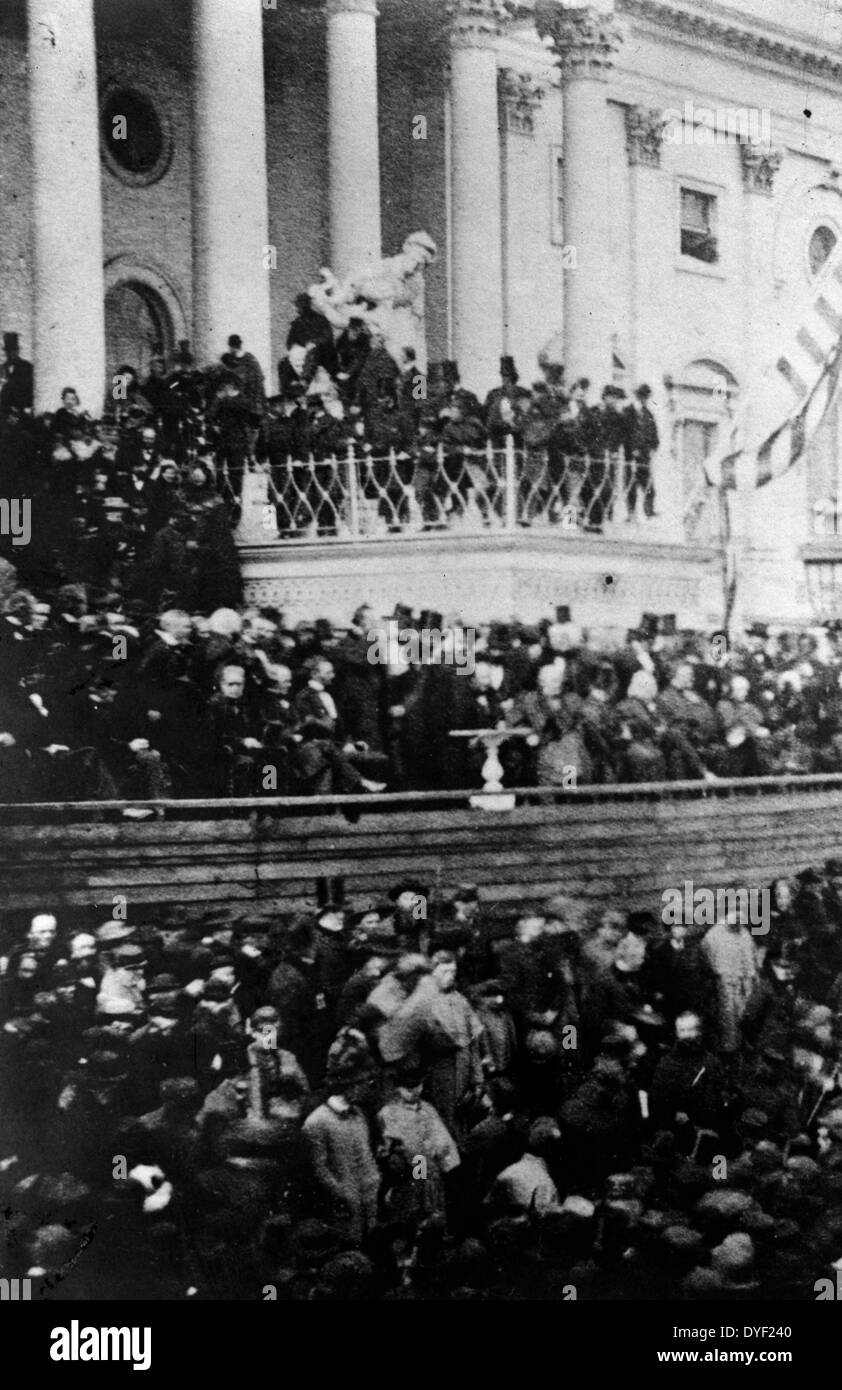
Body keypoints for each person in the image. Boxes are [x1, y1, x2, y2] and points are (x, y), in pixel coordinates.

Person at [0, 332, 34, 416]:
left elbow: (29, 390)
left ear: (18, 351)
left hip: (21, 412)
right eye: (8, 351)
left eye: (13, 350)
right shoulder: (2, 368)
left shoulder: (27, 367)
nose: (11, 354)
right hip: (5, 413)